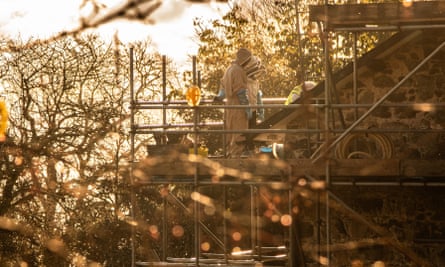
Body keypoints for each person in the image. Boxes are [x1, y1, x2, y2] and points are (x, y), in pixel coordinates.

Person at [214, 48, 253, 158]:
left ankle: (230, 155)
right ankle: (236, 160)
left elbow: (223, 87)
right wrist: (246, 107)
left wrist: (220, 96)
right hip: (238, 106)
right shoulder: (239, 71)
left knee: (230, 132)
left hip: (229, 106)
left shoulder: (229, 69)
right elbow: (241, 91)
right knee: (239, 134)